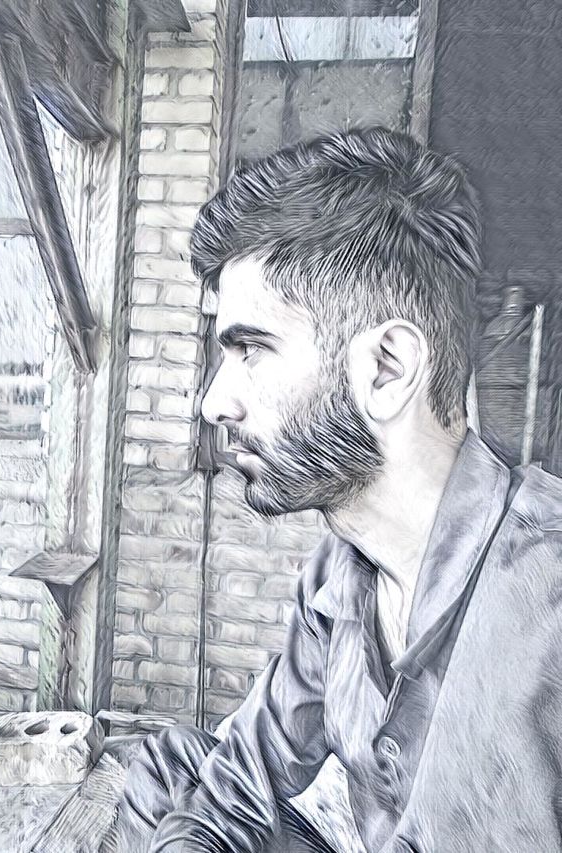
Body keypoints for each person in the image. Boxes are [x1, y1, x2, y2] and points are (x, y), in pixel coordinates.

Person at [116, 127, 562, 852]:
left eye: (252, 348)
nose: (213, 402)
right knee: (175, 768)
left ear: (387, 368)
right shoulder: (342, 568)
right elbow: (240, 781)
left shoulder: (548, 593)